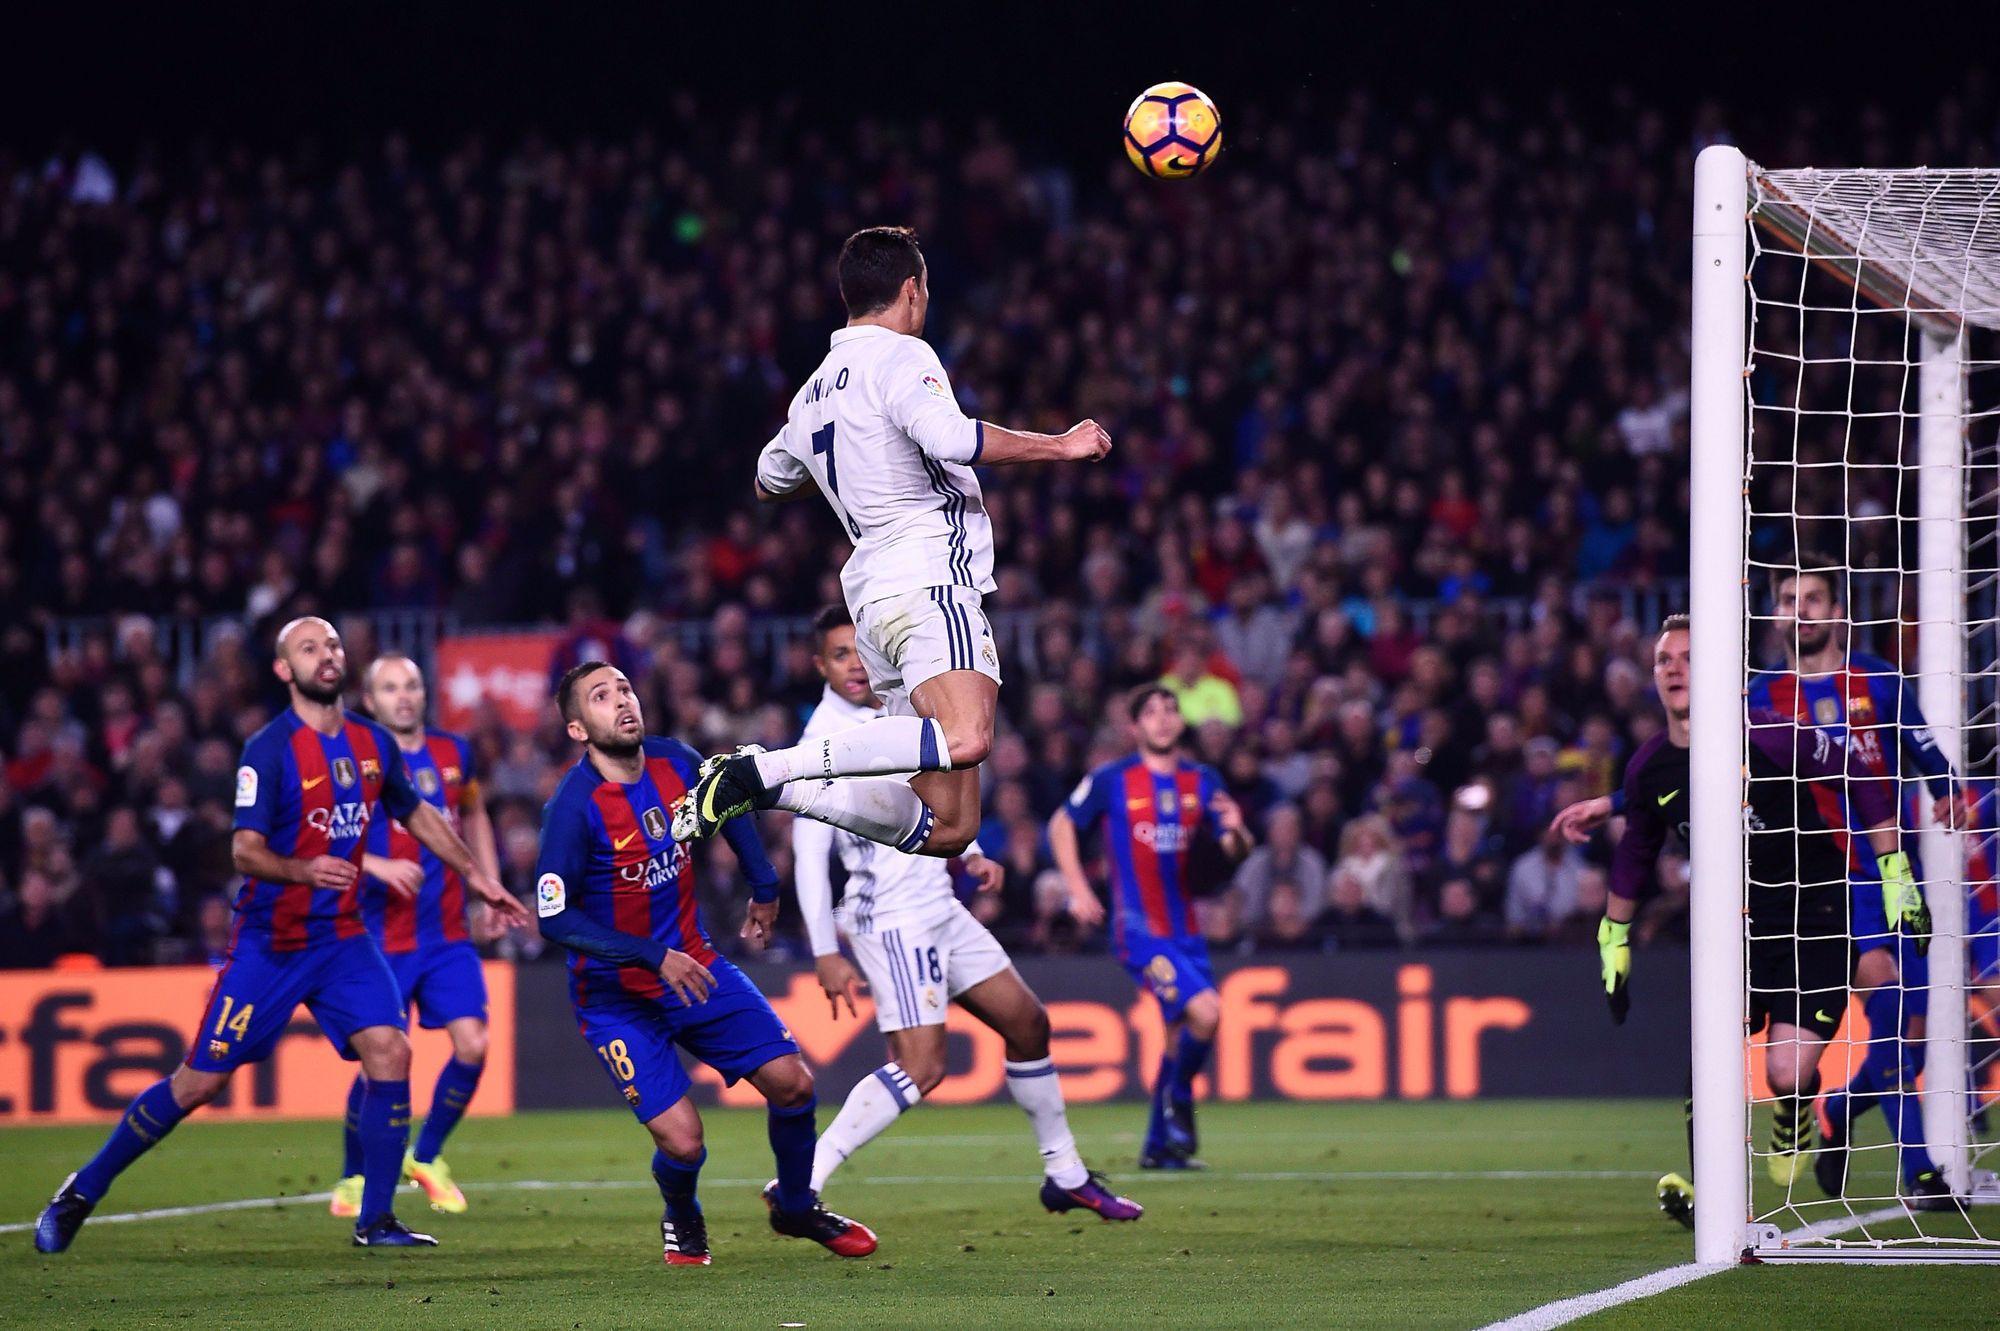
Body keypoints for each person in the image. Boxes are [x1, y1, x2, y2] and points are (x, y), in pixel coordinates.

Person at [34, 617, 530, 1254]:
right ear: (283, 670)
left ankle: (375, 1220)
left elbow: (419, 814)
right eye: (308, 648)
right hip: (270, 944)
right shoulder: (269, 750)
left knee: (392, 1052)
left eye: (331, 645)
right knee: (199, 1082)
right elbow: (244, 850)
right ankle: (83, 1189)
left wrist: (478, 877)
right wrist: (302, 870)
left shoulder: (372, 743)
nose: (325, 655)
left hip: (344, 938)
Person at [677, 226, 1110, 862]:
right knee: (967, 738)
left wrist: (849, 464)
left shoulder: (811, 394)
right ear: (911, 290)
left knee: (950, 827)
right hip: (928, 576)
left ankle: (765, 787)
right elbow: (955, 440)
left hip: (875, 602)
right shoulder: (903, 356)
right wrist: (1061, 445)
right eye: (925, 289)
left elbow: (770, 481)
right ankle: (769, 769)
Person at [1551, 614, 1946, 1229]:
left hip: (1813, 914)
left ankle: (1798, 1107)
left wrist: (1895, 872)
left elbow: (1862, 777)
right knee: (1708, 1052)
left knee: (1786, 1070)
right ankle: (1709, 1189)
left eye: (1688, 656)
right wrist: (1613, 938)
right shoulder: (1648, 767)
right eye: (1663, 659)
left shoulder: (1772, 736)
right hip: (1731, 929)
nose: (1675, 667)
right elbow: (1635, 853)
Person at [791, 607, 1140, 1220]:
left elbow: (922, 795)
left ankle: (1065, 1173)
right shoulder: (824, 735)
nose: (854, 665)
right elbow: (809, 851)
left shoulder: (896, 706)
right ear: (820, 665)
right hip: (893, 917)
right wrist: (824, 948)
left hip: (938, 902)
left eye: (859, 651)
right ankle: (801, 1185)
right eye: (840, 655)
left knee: (1028, 1024)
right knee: (921, 1069)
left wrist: (971, 851)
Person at [534, 661, 876, 1266]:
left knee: (795, 1085)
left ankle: (795, 1206)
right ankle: (684, 1215)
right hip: (617, 997)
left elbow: (730, 804)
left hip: (694, 965)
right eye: (600, 697)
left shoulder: (676, 761)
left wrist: (764, 884)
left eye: (626, 688)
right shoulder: (572, 807)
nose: (622, 702)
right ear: (578, 729)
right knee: (685, 1144)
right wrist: (649, 955)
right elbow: (555, 918)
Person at [1745, 555, 1960, 1203]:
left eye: (1813, 597)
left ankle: (1836, 1111)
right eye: (1789, 597)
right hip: (1829, 887)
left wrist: (1948, 790)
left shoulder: (1880, 680)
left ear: (1837, 611)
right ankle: (1919, 1170)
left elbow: (1929, 757)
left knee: (1912, 1043)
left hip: (1900, 877)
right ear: (1776, 612)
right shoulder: (1761, 699)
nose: (1801, 608)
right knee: (1891, 1008)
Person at [325, 656, 504, 1220]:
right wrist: (375, 865)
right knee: (379, 1062)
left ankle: (425, 1157)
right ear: (370, 701)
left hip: (446, 932)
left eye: (411, 686)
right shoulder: (354, 756)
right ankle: (354, 1176)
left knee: (474, 1045)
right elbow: (325, 832)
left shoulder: (456, 753)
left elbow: (473, 814)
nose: (403, 697)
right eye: (389, 689)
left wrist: (487, 882)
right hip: (379, 936)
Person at [1047, 685, 1253, 1169]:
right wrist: (1078, 888)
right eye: (1151, 713)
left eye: (1170, 710)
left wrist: (1240, 830)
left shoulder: (1203, 780)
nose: (1162, 719)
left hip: (1187, 929)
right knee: (1207, 1011)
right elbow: (1060, 825)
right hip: (1137, 930)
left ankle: (1158, 1149)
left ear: (1181, 723)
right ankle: (1180, 1099)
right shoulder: (1112, 779)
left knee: (1181, 1031)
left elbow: (1234, 852)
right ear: (1134, 728)